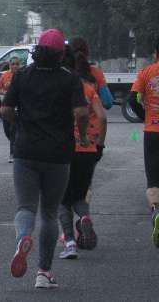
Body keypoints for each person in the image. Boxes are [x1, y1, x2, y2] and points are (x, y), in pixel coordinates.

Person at [1, 29, 89, 289]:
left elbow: (5, 109)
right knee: (49, 213)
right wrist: (82, 135)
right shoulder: (70, 79)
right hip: (58, 153)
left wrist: (20, 126)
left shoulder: (22, 76)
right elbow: (82, 112)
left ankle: (23, 238)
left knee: (25, 207)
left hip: (25, 151)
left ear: (37, 49)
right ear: (62, 54)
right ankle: (44, 272)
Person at [58, 45, 107, 259]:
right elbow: (103, 117)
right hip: (88, 149)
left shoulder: (60, 89)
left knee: (61, 199)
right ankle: (84, 218)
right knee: (79, 193)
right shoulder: (87, 88)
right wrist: (100, 145)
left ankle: (69, 242)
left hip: (64, 150)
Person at [128, 37, 159, 247]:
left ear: (156, 52)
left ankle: (156, 211)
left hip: (152, 131)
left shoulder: (146, 73)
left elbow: (132, 99)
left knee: (153, 180)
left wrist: (143, 115)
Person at [0, 56, 21, 163]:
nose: (15, 66)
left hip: (18, 108)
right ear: (9, 65)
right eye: (13, 64)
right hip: (6, 107)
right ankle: (15, 144)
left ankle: (13, 153)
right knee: (7, 130)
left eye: (17, 64)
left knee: (13, 130)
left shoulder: (22, 75)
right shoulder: (5, 75)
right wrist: (5, 92)